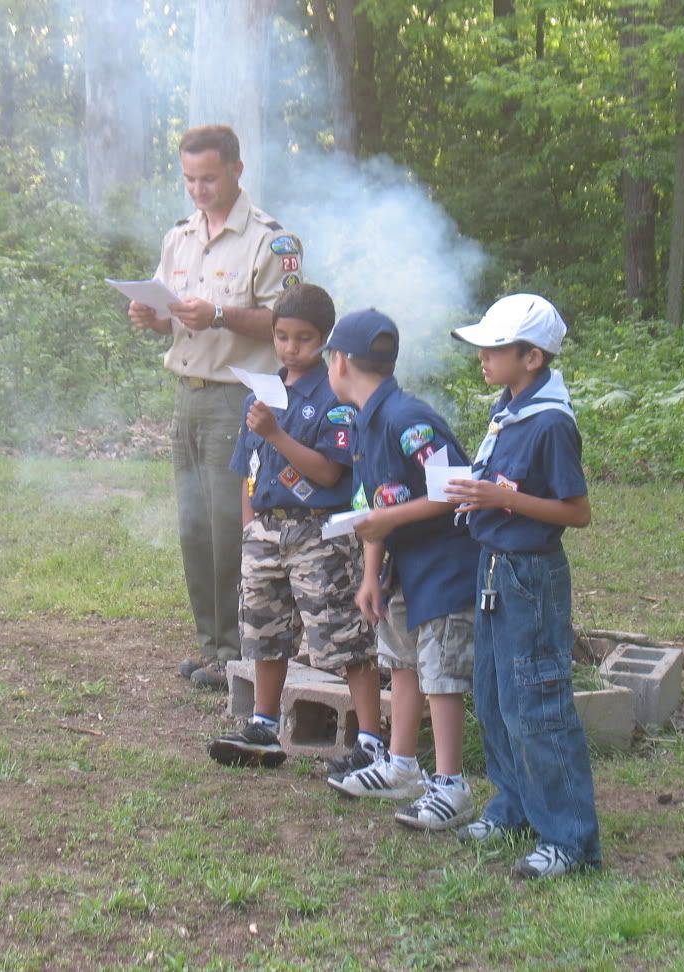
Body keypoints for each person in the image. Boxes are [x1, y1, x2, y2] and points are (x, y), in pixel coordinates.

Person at [127, 124, 303, 690]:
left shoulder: (272, 241)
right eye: (189, 179)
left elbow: (290, 323)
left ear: (236, 170)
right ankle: (212, 644)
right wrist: (152, 317)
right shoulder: (180, 237)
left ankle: (242, 649)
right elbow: (172, 315)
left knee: (232, 526)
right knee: (195, 527)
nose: (198, 189)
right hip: (188, 395)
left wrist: (220, 315)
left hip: (239, 398)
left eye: (207, 178)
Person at [443, 293, 601, 880]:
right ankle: (514, 806)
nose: (483, 358)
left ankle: (570, 839)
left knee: (536, 704)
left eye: (495, 349)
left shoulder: (551, 423)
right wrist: (477, 494)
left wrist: (501, 499)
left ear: (532, 357)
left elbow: (577, 512)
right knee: (493, 698)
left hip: (529, 577)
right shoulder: (510, 407)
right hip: (494, 567)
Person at [207, 284, 386, 769]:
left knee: (343, 636)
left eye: (304, 338)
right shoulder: (261, 393)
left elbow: (328, 473)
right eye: (282, 337)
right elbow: (247, 469)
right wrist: (250, 528)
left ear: (326, 340)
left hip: (319, 534)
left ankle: (371, 742)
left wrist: (276, 433)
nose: (290, 348)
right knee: (265, 631)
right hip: (266, 531)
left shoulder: (335, 397)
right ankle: (264, 727)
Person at [322, 309, 479, 832]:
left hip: (445, 565)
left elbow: (455, 489)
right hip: (403, 567)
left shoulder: (407, 419)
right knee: (404, 662)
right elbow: (373, 505)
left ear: (340, 362)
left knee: (441, 673)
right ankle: (402, 766)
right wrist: (371, 574)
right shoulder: (364, 422)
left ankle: (451, 785)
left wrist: (388, 521)